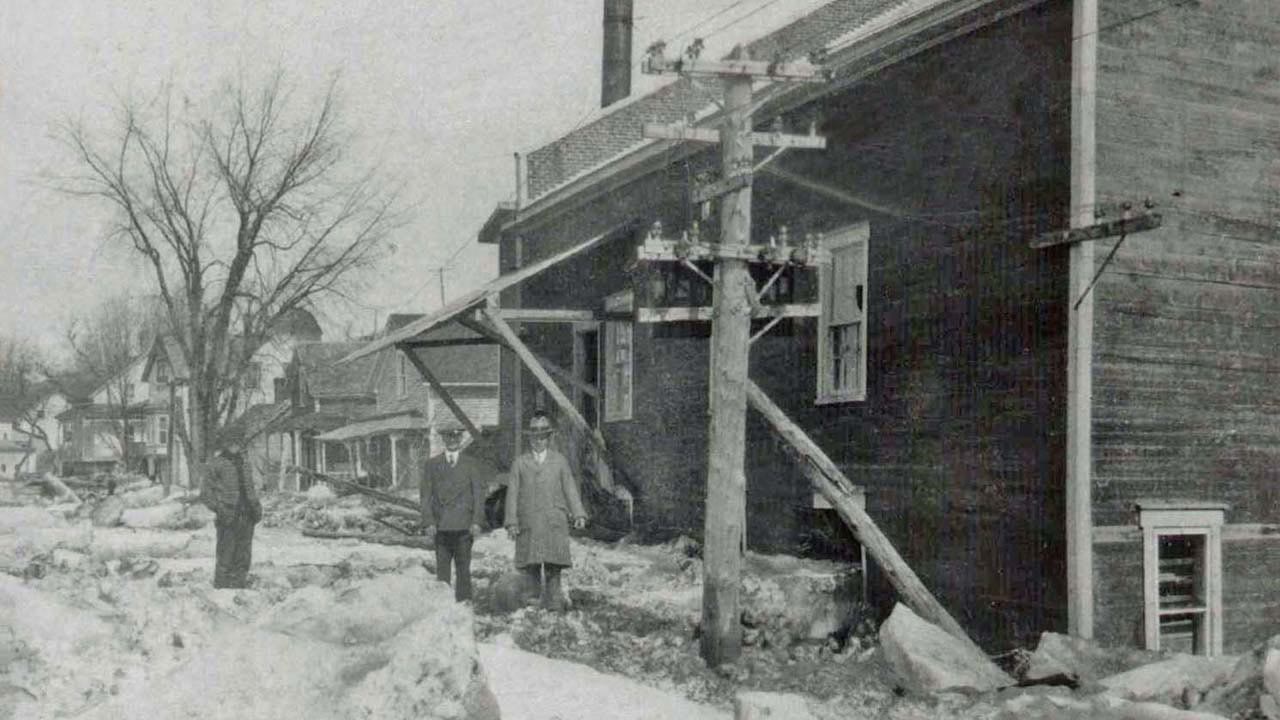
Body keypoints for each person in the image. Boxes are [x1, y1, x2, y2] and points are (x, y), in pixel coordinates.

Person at [504, 411, 587, 611]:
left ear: (549, 438)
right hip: (529, 524)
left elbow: (569, 488)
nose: (539, 441)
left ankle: (554, 608)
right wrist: (512, 522)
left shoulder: (559, 461)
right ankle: (531, 610)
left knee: (553, 569)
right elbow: (512, 494)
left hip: (553, 524)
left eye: (543, 436)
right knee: (530, 569)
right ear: (529, 438)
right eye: (535, 436)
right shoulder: (520, 463)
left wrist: (578, 513)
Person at [420, 424, 488, 603]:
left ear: (460, 439)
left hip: (464, 527)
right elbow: (425, 496)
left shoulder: (471, 464)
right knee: (442, 571)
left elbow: (479, 496)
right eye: (449, 437)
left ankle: (464, 607)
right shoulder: (432, 465)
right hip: (441, 528)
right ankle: (443, 608)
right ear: (444, 439)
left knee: (463, 570)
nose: (452, 441)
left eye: (456, 438)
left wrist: (477, 522)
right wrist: (428, 522)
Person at [200, 430, 261, 589]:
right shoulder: (216, 464)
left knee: (244, 555)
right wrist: (220, 509)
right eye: (232, 442)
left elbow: (251, 488)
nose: (236, 445)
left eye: (238, 442)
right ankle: (222, 589)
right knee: (226, 555)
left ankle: (239, 586)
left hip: (247, 515)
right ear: (225, 444)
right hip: (228, 516)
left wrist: (256, 507)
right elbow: (206, 494)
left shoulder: (245, 463)